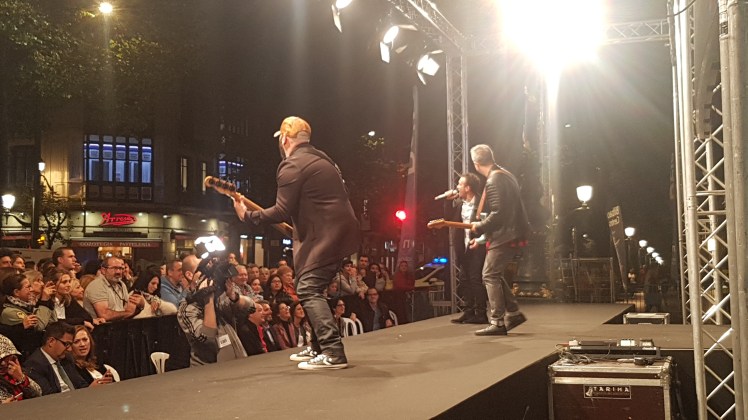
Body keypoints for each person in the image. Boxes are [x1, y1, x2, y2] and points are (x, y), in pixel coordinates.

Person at [233, 116, 360, 370]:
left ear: (284, 139)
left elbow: (282, 210)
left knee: (308, 289)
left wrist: (248, 216)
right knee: (312, 288)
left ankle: (333, 352)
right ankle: (318, 347)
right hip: (339, 232)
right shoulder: (323, 159)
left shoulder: (292, 164)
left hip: (325, 235)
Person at [469, 144, 529, 336]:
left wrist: (480, 226)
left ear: (476, 163)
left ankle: (497, 321)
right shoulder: (506, 175)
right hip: (512, 232)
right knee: (494, 273)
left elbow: (499, 213)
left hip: (505, 234)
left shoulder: (494, 180)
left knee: (489, 275)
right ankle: (514, 313)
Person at [443, 172, 489, 324]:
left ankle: (481, 313)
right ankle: (468, 311)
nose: (457, 187)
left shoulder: (482, 204)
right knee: (464, 279)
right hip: (463, 247)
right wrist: (448, 202)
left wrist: (481, 240)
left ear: (468, 188)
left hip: (477, 246)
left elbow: (489, 226)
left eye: (460, 184)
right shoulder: (460, 205)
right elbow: (448, 218)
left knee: (475, 279)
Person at [24, 322, 94, 394]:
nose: (70, 349)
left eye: (70, 344)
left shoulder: (66, 358)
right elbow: (48, 396)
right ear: (51, 341)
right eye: (66, 344)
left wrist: (92, 388)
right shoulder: (34, 364)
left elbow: (81, 384)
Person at [0, 334, 41, 403]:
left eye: (5, 357)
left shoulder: (14, 372)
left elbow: (39, 394)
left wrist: (21, 378)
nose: (3, 363)